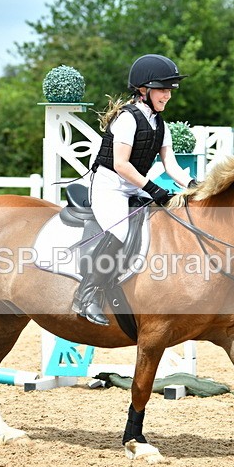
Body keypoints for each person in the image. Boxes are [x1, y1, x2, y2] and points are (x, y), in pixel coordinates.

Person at [72, 54, 197, 326]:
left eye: (169, 91)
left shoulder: (160, 124)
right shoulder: (127, 119)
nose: (167, 96)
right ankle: (85, 295)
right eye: (163, 90)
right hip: (109, 187)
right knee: (120, 230)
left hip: (132, 188)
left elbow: (172, 165)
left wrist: (193, 185)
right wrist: (153, 188)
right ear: (144, 90)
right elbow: (120, 164)